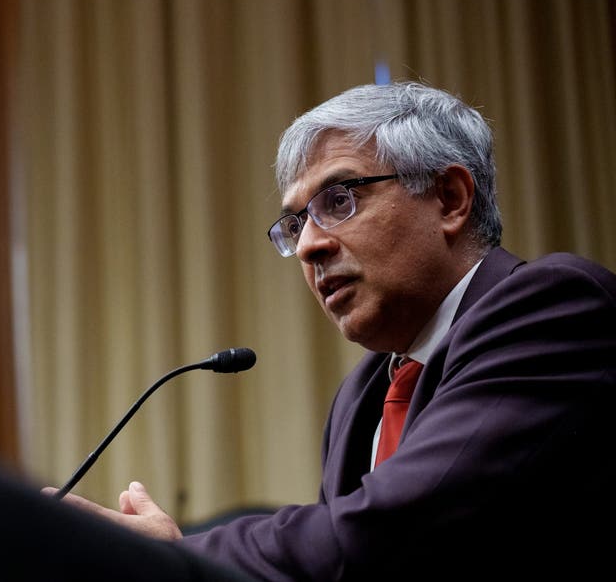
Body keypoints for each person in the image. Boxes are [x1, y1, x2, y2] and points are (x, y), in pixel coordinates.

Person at [44, 81, 616, 581]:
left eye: (340, 200)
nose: (310, 245)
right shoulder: (365, 393)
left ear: (450, 198)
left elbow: (387, 532)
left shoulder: (554, 307)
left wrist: (180, 558)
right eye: (296, 223)